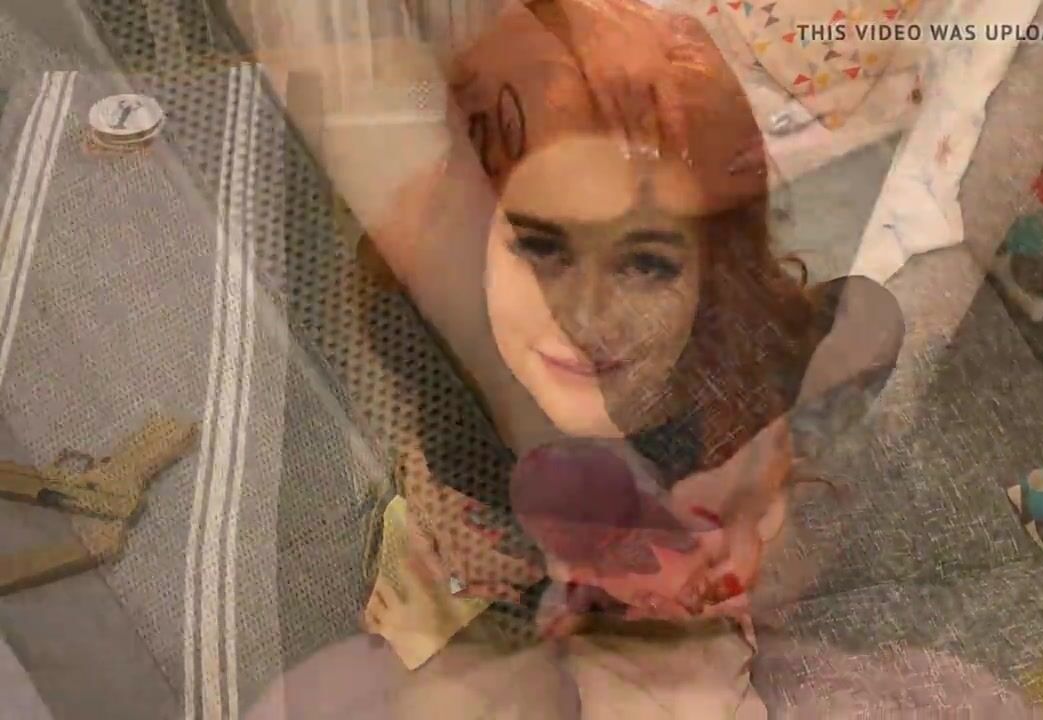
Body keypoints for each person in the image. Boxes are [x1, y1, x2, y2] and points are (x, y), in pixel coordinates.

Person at [249, 0, 911, 716]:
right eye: (542, 249)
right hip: (486, 588)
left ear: (712, 278)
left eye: (646, 265)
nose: (586, 317)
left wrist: (767, 456)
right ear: (473, 240)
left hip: (649, 619)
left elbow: (871, 317)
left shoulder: (725, 369)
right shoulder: (436, 346)